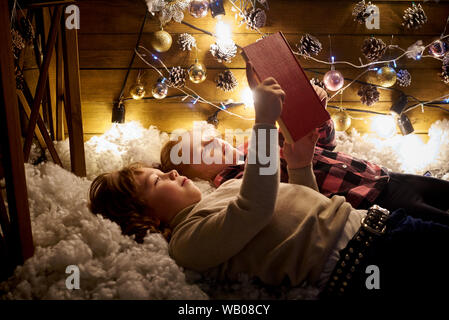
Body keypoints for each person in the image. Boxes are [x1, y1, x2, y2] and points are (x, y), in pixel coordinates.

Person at [89, 63, 449, 299]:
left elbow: (311, 206)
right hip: (362, 259)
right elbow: (256, 209)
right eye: (157, 180)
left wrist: (300, 165)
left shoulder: (224, 191)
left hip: (379, 222)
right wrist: (262, 122)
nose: (172, 172)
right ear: (145, 216)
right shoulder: (187, 242)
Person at [160, 87, 449, 226]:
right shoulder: (236, 183)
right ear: (195, 176)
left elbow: (324, 144)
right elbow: (290, 199)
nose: (216, 141)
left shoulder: (257, 142)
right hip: (368, 200)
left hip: (381, 174)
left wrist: (316, 114)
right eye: (204, 147)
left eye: (214, 137)